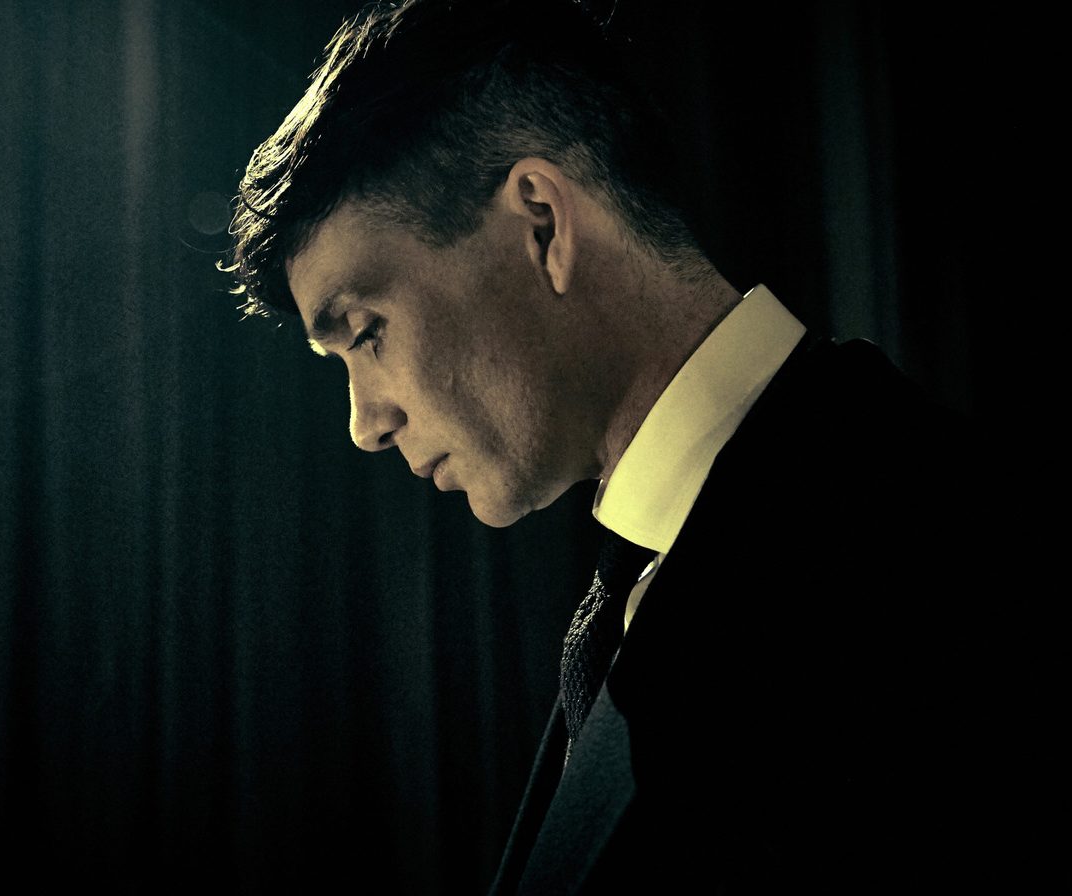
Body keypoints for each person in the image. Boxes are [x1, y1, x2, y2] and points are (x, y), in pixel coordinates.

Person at [224, 0, 1044, 891]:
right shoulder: (653, 587)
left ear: (542, 223)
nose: (365, 423)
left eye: (366, 331)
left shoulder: (928, 546)